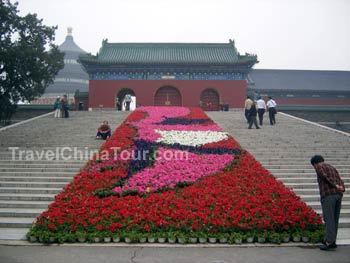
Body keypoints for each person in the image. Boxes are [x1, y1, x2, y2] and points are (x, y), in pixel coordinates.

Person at [310, 155, 345, 251]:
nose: (315, 168)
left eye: (314, 166)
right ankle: (332, 240)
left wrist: (335, 186)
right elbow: (340, 179)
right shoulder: (332, 167)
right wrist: (341, 188)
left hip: (328, 196)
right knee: (334, 219)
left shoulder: (320, 167)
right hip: (338, 195)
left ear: (315, 164)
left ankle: (329, 242)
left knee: (329, 218)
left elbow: (325, 177)